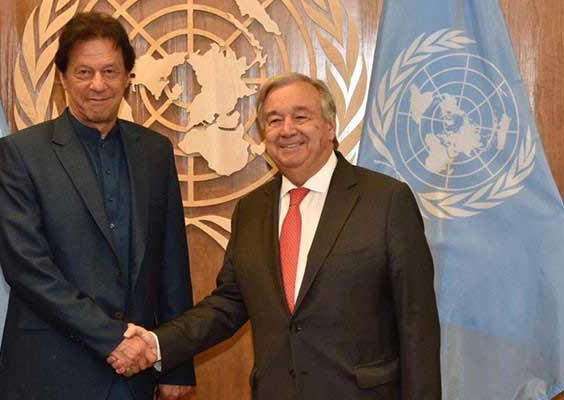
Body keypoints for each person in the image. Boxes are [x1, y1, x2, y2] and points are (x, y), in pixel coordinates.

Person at [110, 73, 441, 399]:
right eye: (274, 120)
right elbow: (228, 305)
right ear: (263, 133)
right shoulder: (251, 211)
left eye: (301, 116)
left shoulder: (386, 201)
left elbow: (417, 324)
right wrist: (156, 344)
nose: (287, 130)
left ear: (330, 126)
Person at [0, 12, 195, 400]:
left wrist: (176, 361)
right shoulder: (20, 154)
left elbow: (171, 263)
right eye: (84, 72)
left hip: (135, 375)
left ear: (127, 79)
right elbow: (27, 268)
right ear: (62, 78)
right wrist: (114, 340)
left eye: (110, 71)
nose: (98, 85)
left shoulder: (154, 152)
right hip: (51, 370)